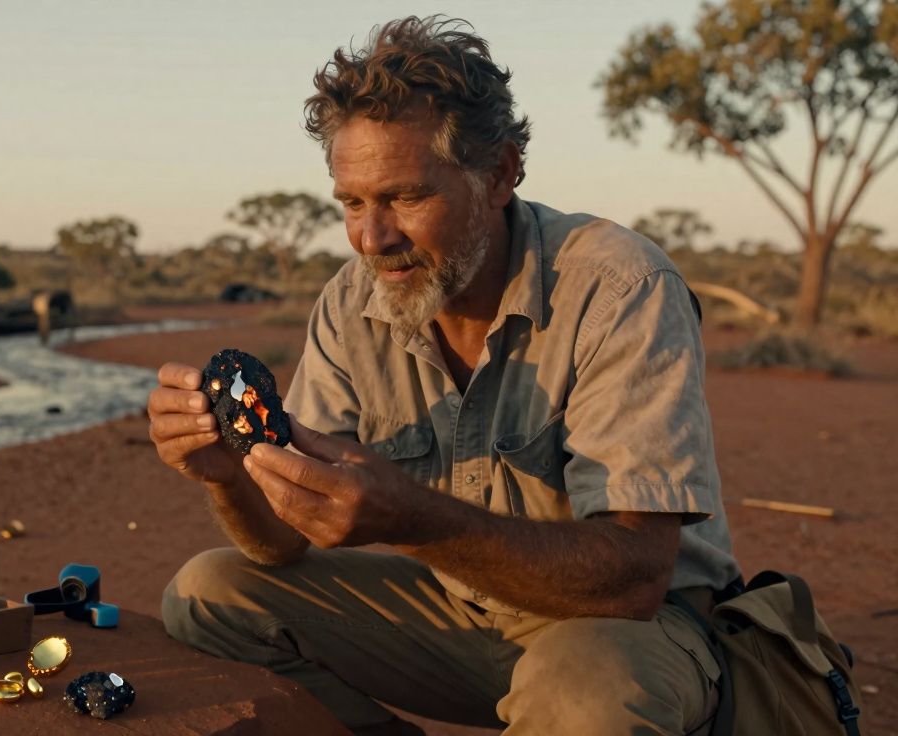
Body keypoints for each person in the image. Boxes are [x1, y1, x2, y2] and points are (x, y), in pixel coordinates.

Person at [149, 16, 741, 736]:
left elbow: (637, 578)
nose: (373, 237)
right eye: (353, 203)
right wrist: (227, 477)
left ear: (499, 174)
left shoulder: (619, 284)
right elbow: (281, 545)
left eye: (404, 197)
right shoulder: (351, 299)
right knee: (210, 594)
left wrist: (413, 518)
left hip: (633, 631)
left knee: (585, 689)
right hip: (461, 612)